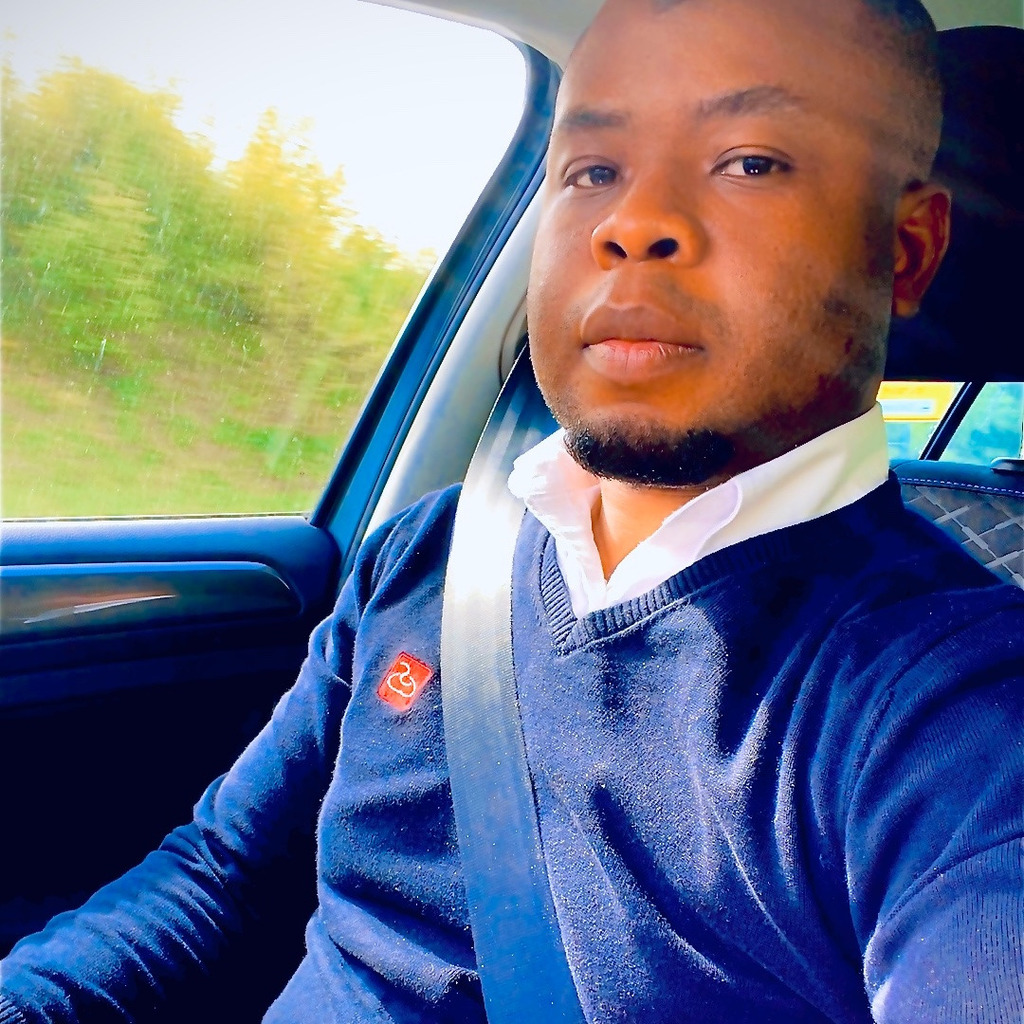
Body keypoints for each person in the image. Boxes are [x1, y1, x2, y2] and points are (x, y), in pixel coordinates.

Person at [2, 0, 1022, 1021]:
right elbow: (223, 875)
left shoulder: (959, 710)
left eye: (749, 161)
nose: (632, 223)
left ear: (906, 249)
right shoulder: (432, 554)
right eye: (592, 171)